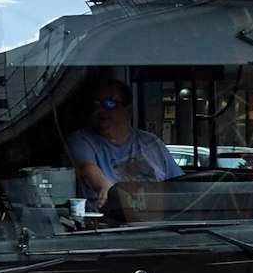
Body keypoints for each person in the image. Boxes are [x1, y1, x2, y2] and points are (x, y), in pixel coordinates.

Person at [69, 82, 182, 215]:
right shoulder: (82, 139)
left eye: (109, 104)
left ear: (127, 111)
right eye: (96, 104)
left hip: (160, 223)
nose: (99, 110)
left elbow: (179, 185)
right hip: (110, 227)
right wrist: (108, 192)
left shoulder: (151, 142)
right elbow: (87, 168)